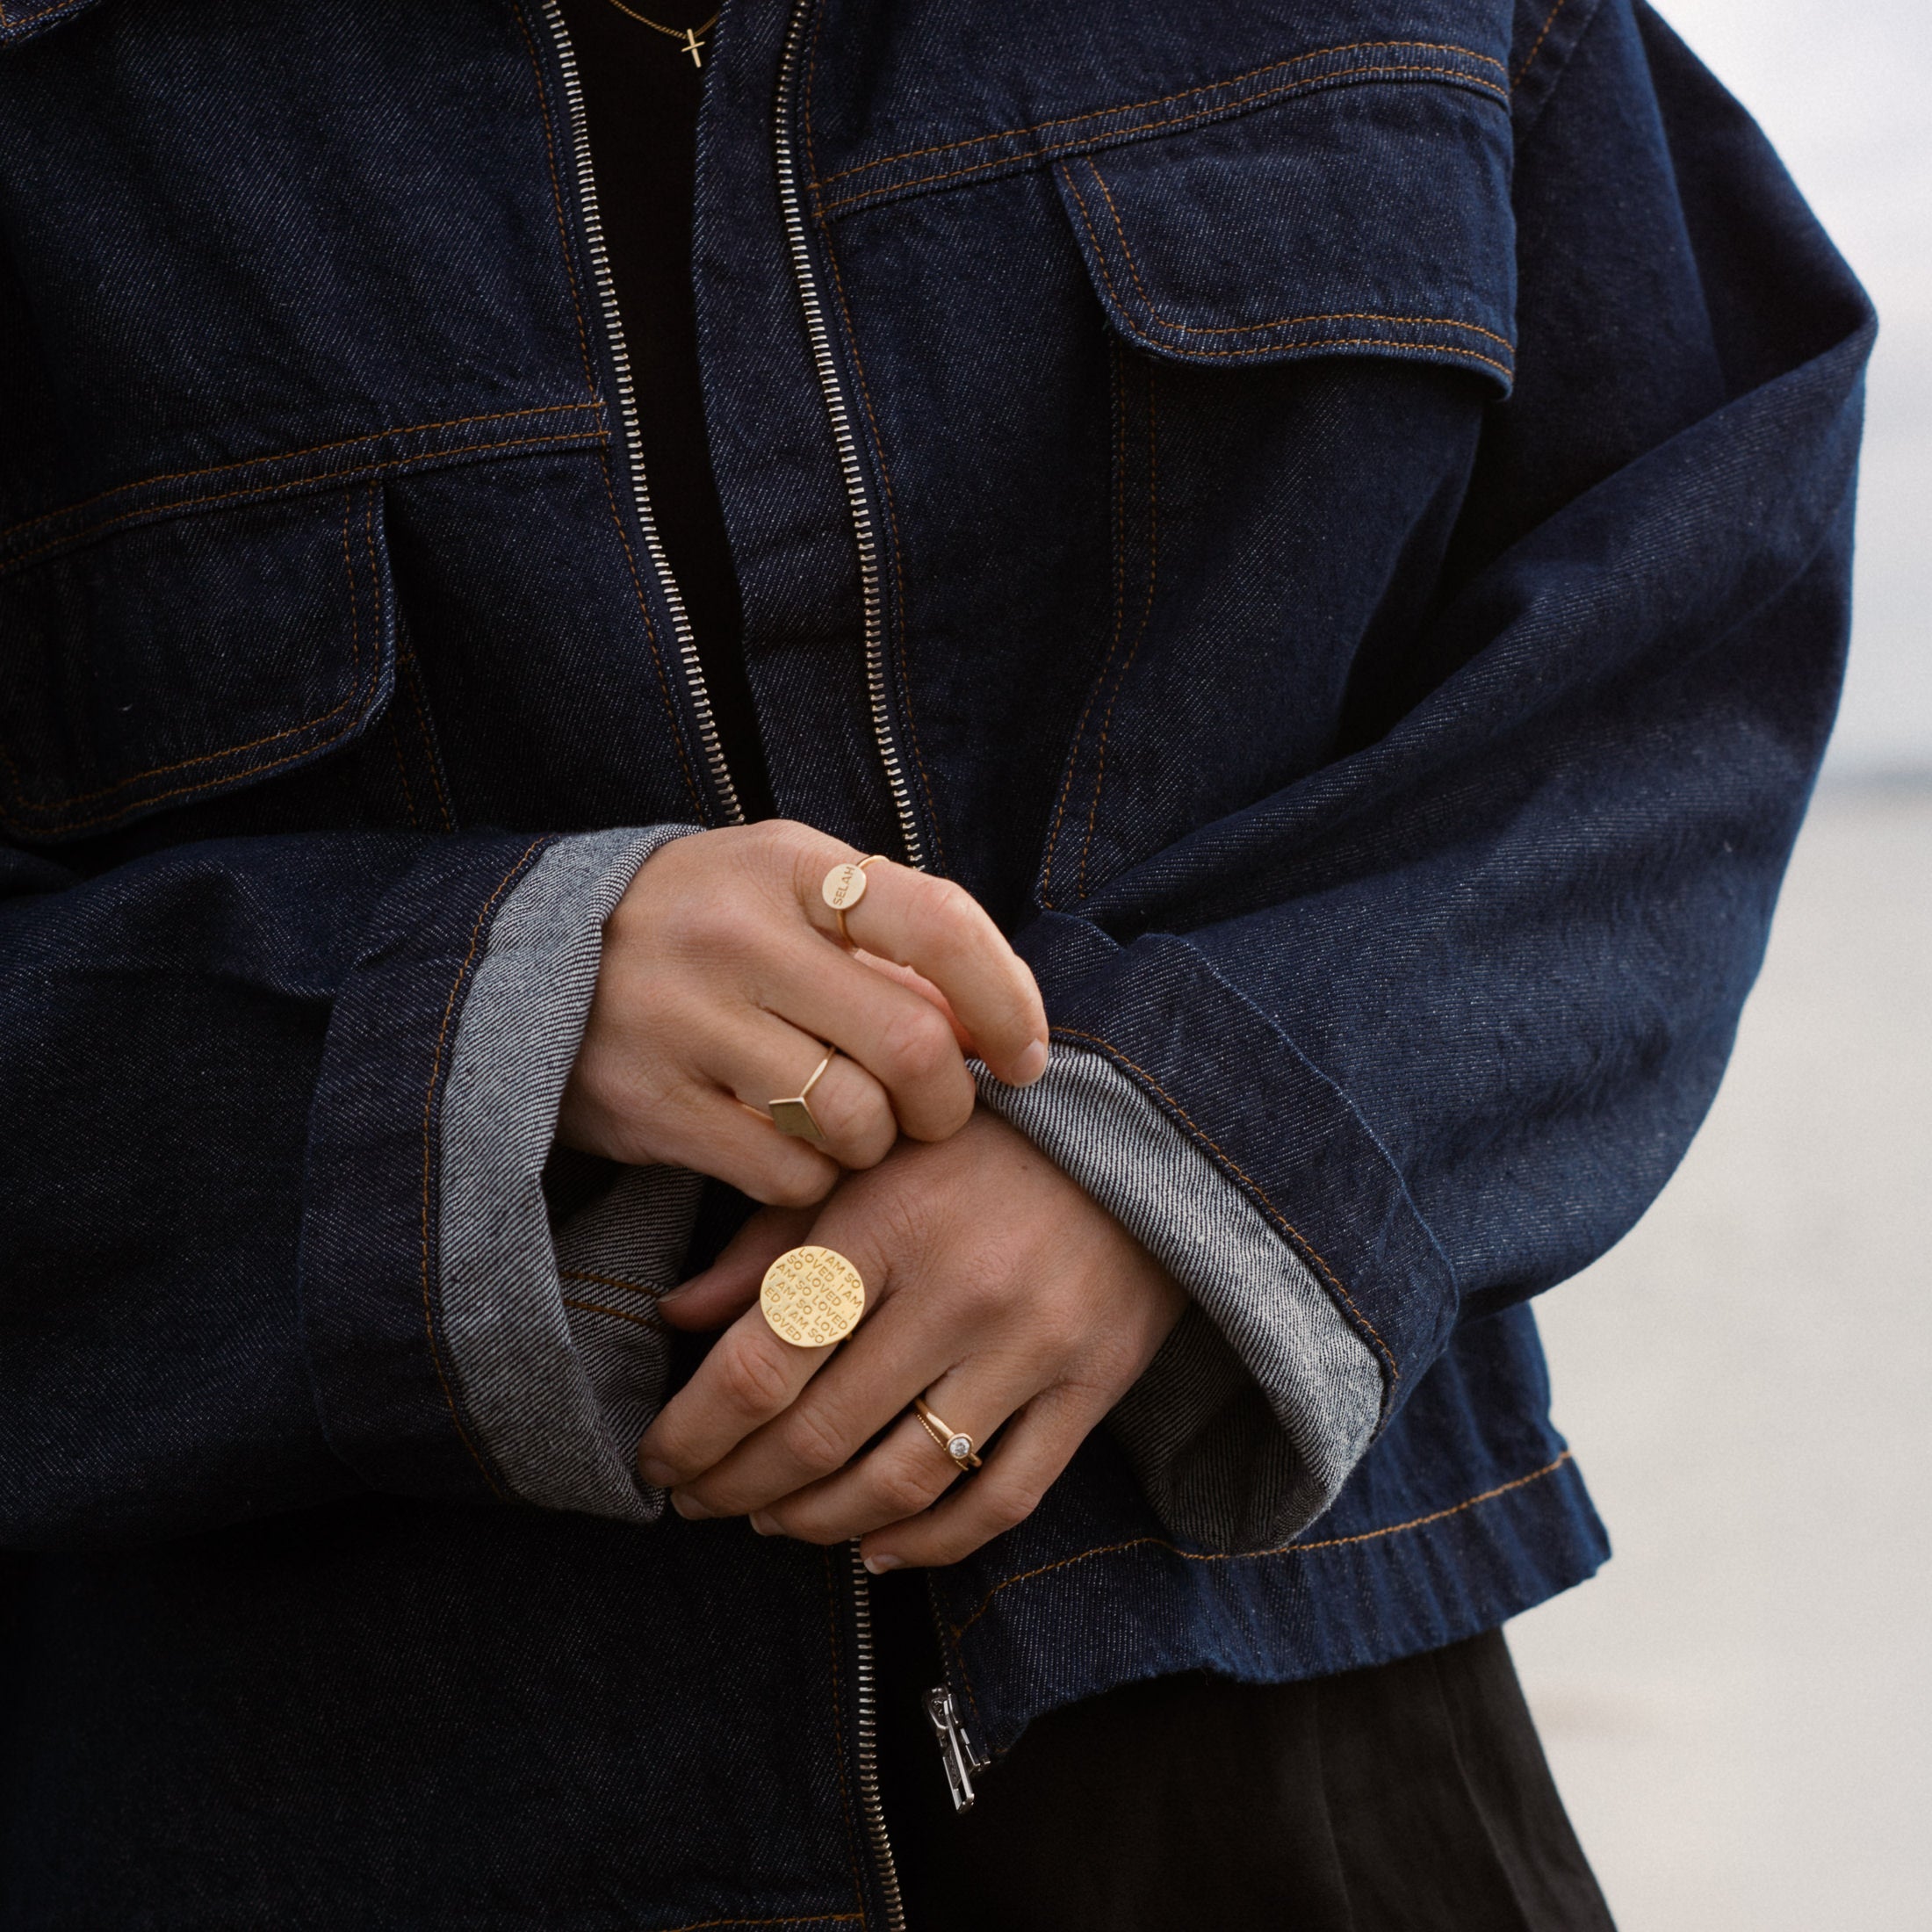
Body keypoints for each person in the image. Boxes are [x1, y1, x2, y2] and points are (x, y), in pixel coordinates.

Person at [0, 0, 1870, 1925]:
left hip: (1309, 1771)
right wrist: (461, 1019)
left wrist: (1188, 1144)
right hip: (314, 1805)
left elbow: (1688, 612)